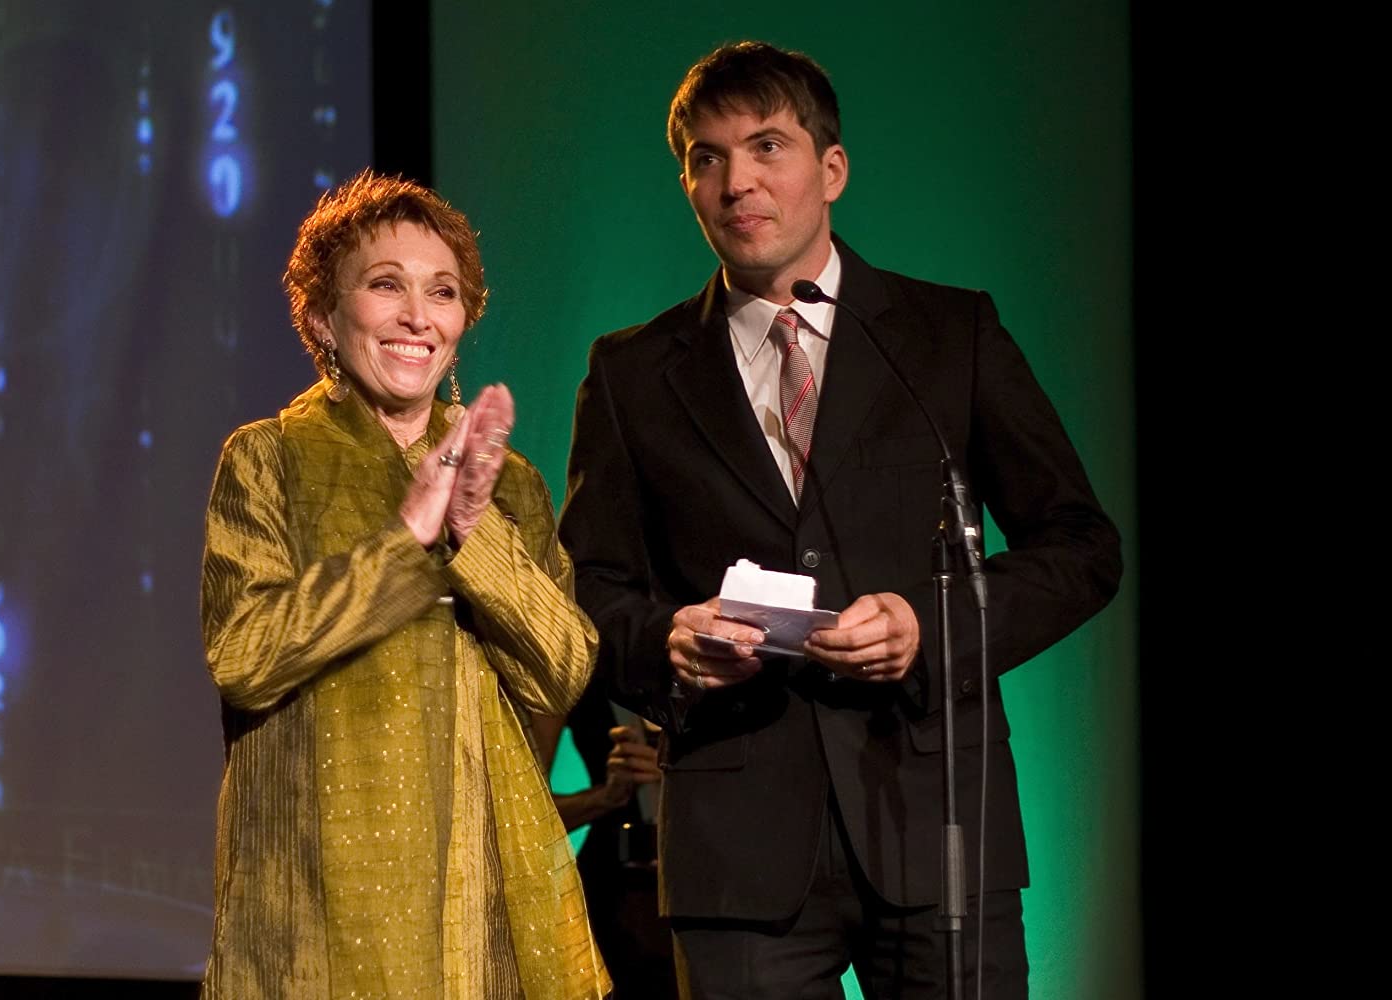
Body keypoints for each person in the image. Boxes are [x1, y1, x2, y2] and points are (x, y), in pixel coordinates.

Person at [558, 42, 1122, 999]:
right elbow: (586, 592)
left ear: (832, 168)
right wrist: (667, 644)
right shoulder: (631, 372)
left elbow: (1082, 547)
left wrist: (927, 629)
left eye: (766, 147)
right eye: (705, 158)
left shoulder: (948, 337)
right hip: (737, 850)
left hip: (937, 823)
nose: (736, 181)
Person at [199, 170, 609, 999]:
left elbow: (562, 671)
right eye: (386, 285)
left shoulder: (510, 483)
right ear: (323, 316)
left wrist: (472, 532)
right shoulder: (269, 457)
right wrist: (404, 543)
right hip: (320, 900)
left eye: (442, 292)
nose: (419, 316)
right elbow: (244, 657)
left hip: (482, 897)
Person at [533, 689, 678, 1000]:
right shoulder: (577, 672)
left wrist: (683, 776)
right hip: (614, 892)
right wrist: (606, 797)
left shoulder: (719, 670)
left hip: (704, 882)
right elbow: (522, 815)